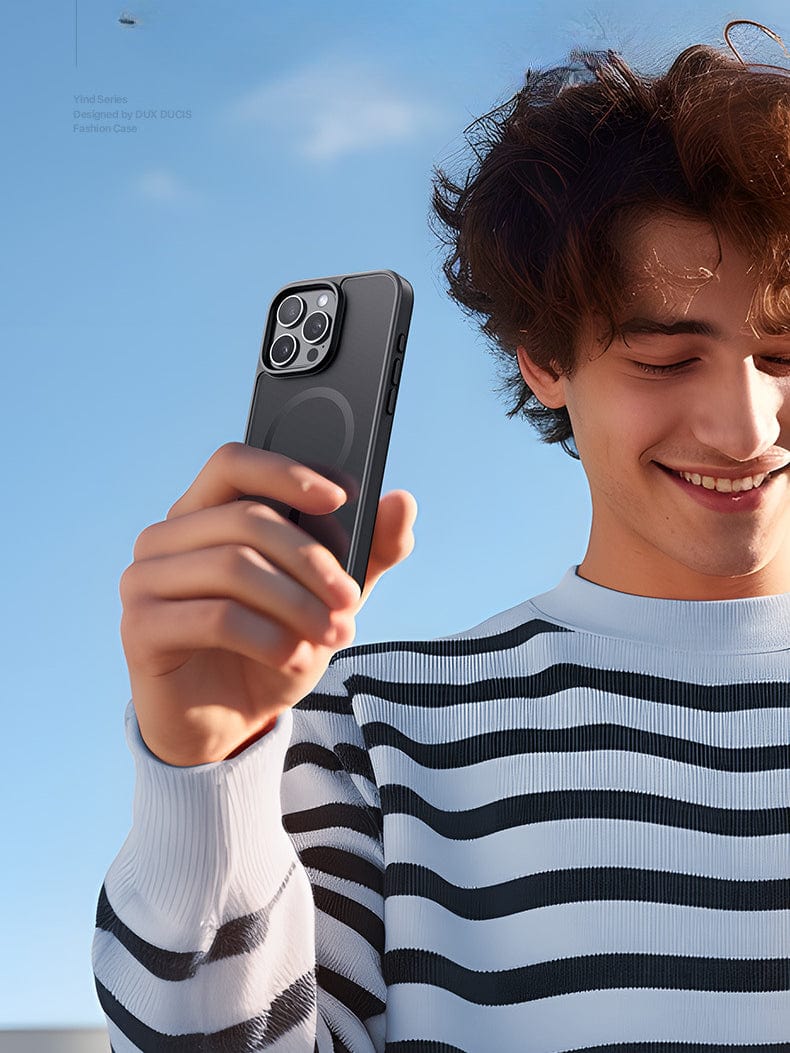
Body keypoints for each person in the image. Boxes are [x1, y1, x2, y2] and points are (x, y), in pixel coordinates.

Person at [92, 23, 790, 1052]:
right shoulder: (371, 732)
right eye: (662, 359)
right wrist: (202, 787)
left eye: (781, 350)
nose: (744, 426)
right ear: (543, 363)